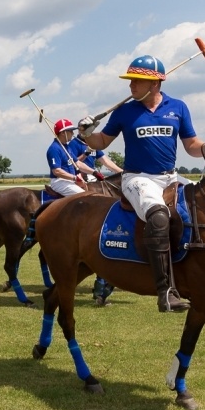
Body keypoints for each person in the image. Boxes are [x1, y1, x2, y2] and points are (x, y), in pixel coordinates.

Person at [78, 55, 205, 313]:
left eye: (137, 80)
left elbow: (191, 145)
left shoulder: (178, 107)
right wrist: (85, 134)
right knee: (159, 217)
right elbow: (102, 142)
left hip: (170, 177)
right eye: (130, 80)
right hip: (138, 178)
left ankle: (201, 273)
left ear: (154, 84)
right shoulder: (125, 111)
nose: (131, 85)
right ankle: (166, 292)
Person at [67, 131, 124, 306]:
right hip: (80, 177)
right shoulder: (73, 144)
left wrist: (122, 172)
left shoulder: (93, 144)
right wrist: (86, 154)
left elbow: (105, 161)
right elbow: (74, 163)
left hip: (94, 176)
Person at [47, 119, 88, 196]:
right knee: (85, 196)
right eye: (70, 131)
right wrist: (75, 178)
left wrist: (94, 172)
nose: (73, 133)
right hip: (59, 182)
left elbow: (78, 163)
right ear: (63, 133)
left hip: (69, 181)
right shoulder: (54, 149)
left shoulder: (66, 147)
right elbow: (57, 171)